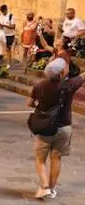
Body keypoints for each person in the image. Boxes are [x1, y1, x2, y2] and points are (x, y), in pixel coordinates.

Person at [27, 58, 84, 199]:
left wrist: (42, 109)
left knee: (40, 159)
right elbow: (82, 76)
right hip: (64, 127)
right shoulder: (69, 85)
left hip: (45, 127)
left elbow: (29, 103)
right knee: (56, 158)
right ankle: (51, 189)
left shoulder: (39, 86)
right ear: (61, 73)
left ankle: (44, 186)